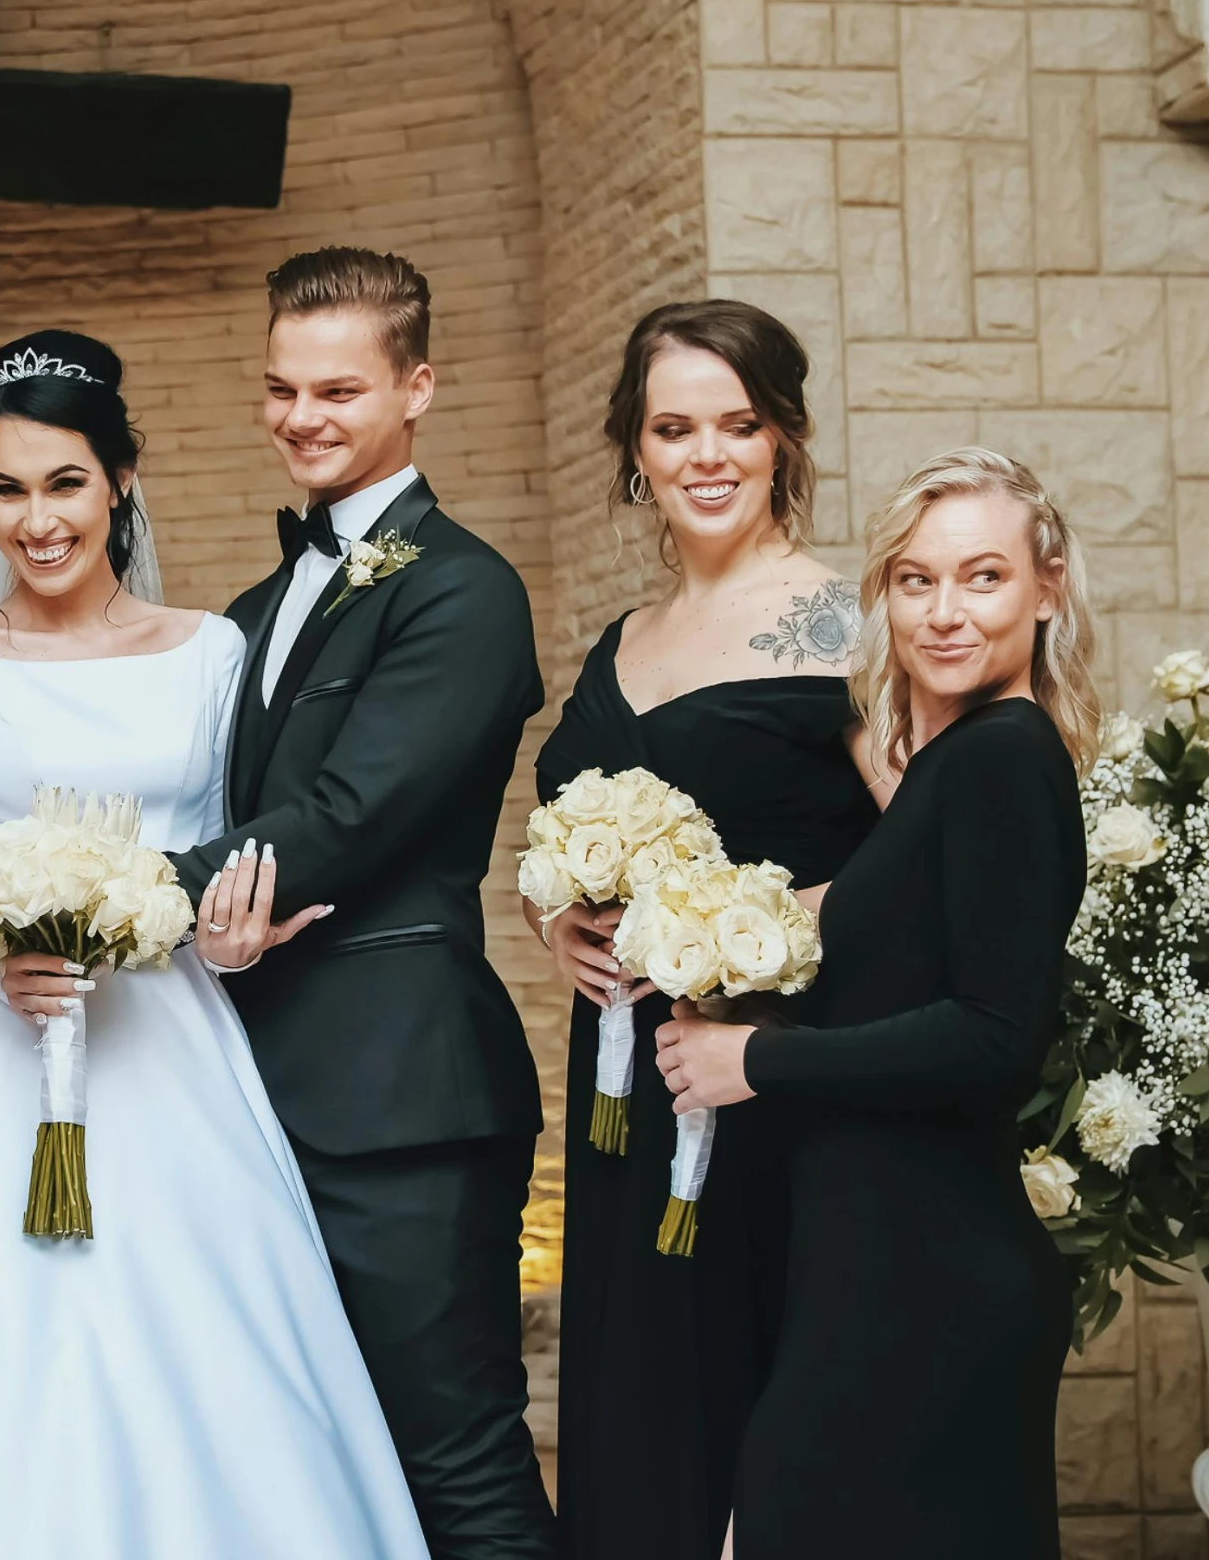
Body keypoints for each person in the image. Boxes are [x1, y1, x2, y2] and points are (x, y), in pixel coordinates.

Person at [0, 330, 429, 1560]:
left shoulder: (211, 652)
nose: (35, 521)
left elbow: (220, 849)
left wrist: (225, 942)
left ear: (120, 483)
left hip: (166, 1045)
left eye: (63, 484)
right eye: (5, 489)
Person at [165, 249, 553, 1558]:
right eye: (280, 389)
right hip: (253, 1089)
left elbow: (341, 823)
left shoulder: (465, 590)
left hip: (402, 1102)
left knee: (458, 1462)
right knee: (301, 1466)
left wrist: (88, 903)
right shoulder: (260, 604)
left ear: (419, 385)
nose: (301, 418)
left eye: (336, 388)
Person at [656, 447, 1091, 1559]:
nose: (943, 613)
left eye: (981, 578)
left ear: (1045, 589)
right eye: (913, 580)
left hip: (927, 1280)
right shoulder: (953, 767)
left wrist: (754, 1061)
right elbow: (916, 967)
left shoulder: (1001, 757)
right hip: (882, 1260)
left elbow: (993, 1037)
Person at [529, 301, 880, 1559]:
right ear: (634, 448)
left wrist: (764, 924)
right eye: (672, 427)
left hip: (766, 1069)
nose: (706, 455)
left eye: (737, 423)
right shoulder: (623, 640)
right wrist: (553, 924)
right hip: (622, 1080)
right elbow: (564, 840)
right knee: (641, 1381)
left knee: (757, 1381)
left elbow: (926, 849)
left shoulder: (832, 620)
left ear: (783, 437)